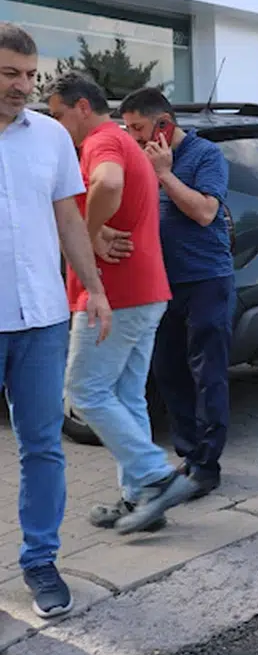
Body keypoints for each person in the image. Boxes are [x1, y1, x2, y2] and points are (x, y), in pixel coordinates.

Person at [47, 72, 200, 536]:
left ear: (81, 108)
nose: (57, 126)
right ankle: (142, 496)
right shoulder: (124, 141)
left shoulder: (102, 142)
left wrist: (86, 235)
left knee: (85, 390)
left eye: (57, 115)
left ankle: (156, 474)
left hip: (116, 295)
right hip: (146, 291)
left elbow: (108, 184)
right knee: (127, 396)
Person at [0, 25, 112, 617]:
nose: (23, 86)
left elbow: (70, 220)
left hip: (41, 317)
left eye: (28, 74)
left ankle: (40, 561)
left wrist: (93, 289)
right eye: (9, 73)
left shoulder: (48, 136)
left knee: (43, 446)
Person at [119, 88, 234, 500]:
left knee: (208, 374)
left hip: (206, 279)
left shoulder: (205, 156)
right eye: (127, 128)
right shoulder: (139, 156)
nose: (132, 136)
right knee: (168, 370)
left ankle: (207, 465)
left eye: (139, 127)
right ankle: (187, 455)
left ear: (164, 124)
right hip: (159, 283)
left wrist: (165, 174)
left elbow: (205, 212)